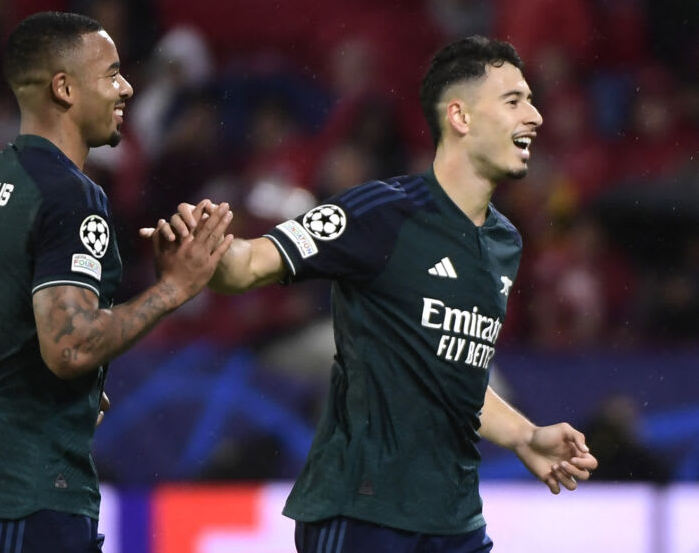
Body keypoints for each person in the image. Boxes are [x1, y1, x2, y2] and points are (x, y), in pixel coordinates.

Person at [145, 35, 598, 552]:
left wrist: (524, 435)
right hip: (362, 514)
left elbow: (451, 378)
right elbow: (250, 263)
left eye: (532, 100)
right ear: (461, 117)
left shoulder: (504, 243)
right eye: (514, 100)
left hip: (454, 523)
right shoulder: (382, 213)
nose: (535, 116)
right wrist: (202, 253)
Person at [0, 12, 233, 552]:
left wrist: (16, 372)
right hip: (25, 491)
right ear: (65, 87)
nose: (127, 87)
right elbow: (71, 349)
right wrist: (176, 287)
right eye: (112, 74)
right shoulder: (73, 196)